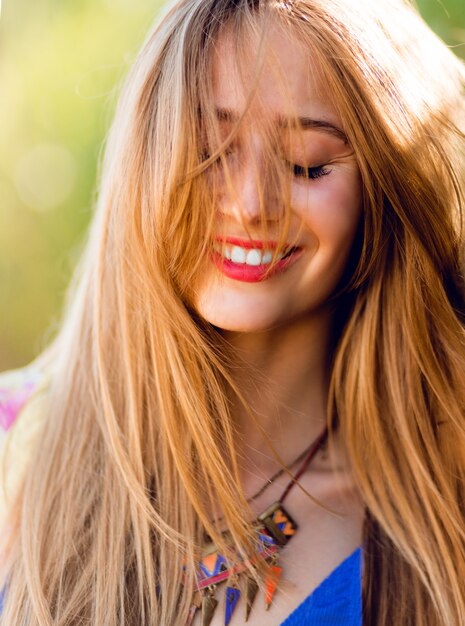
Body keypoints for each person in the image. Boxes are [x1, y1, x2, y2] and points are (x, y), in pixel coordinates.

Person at [1, 0, 465, 624]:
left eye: (306, 163)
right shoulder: (15, 449)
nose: (251, 203)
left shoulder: (441, 519)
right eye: (212, 151)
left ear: (384, 189)